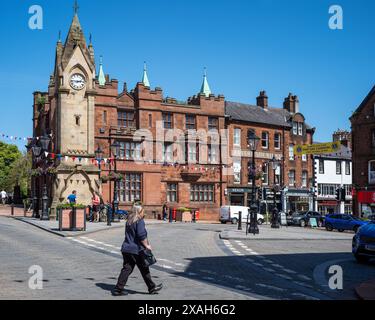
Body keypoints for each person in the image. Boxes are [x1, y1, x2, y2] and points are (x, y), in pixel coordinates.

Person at [113, 205, 163, 296]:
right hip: (136, 250)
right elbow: (141, 235)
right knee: (144, 268)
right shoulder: (139, 221)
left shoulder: (129, 221)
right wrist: (147, 245)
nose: (144, 213)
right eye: (143, 211)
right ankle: (152, 288)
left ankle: (118, 289)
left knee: (127, 269)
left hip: (126, 248)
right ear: (139, 212)